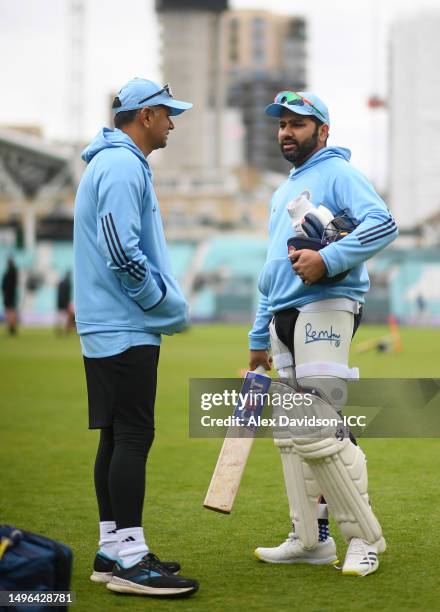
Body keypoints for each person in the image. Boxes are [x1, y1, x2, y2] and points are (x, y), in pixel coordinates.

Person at [248, 91, 398, 577]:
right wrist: (258, 332)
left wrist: (327, 258)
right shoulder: (282, 189)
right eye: (283, 124)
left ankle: (364, 539)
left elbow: (384, 224)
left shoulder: (339, 172)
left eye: (298, 124)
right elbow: (273, 268)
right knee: (292, 435)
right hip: (283, 316)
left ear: (323, 131)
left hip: (327, 305)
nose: (287, 132)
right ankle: (311, 539)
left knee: (317, 426)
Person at [74, 78, 199, 598]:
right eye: (168, 113)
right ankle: (128, 558)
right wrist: (160, 303)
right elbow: (120, 249)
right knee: (132, 436)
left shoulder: (113, 162)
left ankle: (112, 547)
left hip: (109, 322)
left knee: (115, 435)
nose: (173, 122)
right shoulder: (124, 164)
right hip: (125, 323)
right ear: (145, 116)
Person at [2, 257, 18, 335]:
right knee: (12, 311)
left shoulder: (7, 273)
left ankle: (9, 328)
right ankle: (13, 328)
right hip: (13, 295)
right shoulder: (14, 272)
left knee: (8, 311)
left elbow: (3, 286)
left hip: (8, 295)